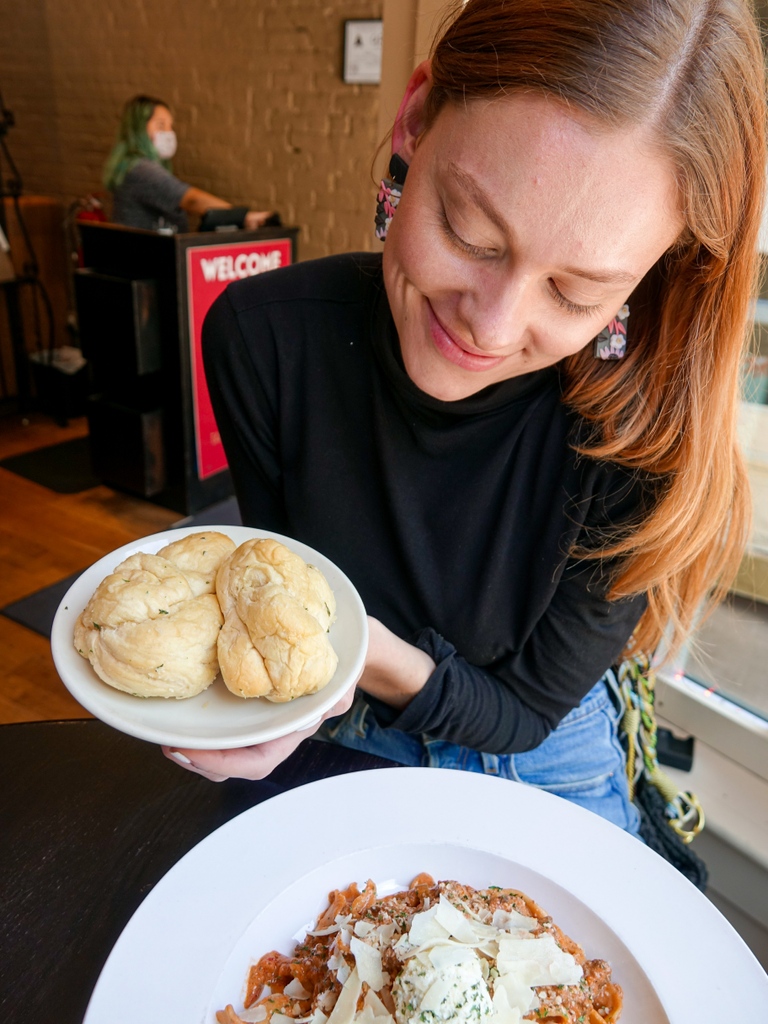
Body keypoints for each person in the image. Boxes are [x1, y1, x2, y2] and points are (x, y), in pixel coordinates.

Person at [164, 0, 765, 836]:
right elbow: (290, 585)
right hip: (346, 718)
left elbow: (521, 715)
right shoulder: (263, 340)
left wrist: (356, 655)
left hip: (543, 756)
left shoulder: (644, 441)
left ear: (645, 282)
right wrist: (300, 691)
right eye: (471, 231)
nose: (489, 324)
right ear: (415, 119)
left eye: (574, 293)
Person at [103, 94, 274, 233]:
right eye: (161, 125)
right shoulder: (141, 170)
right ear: (138, 129)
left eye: (170, 126)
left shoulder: (133, 166)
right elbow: (191, 199)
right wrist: (244, 216)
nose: (168, 133)